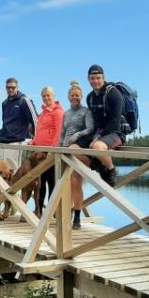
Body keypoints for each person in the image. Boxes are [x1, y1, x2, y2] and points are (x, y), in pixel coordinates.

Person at [59, 81, 95, 229]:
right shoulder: (66, 114)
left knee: (76, 182)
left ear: (81, 96)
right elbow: (62, 133)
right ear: (68, 97)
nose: (75, 98)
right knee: (63, 184)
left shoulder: (86, 112)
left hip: (78, 150)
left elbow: (90, 128)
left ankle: (77, 218)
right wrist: (59, 148)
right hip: (65, 151)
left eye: (77, 95)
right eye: (72, 95)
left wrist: (78, 134)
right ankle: (65, 215)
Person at [86, 64, 125, 187]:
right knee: (75, 148)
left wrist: (97, 138)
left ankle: (111, 170)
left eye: (98, 78)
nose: (95, 81)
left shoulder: (114, 94)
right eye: (92, 78)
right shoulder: (90, 97)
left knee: (96, 146)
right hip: (100, 133)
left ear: (104, 78)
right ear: (88, 79)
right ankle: (101, 168)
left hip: (116, 133)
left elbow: (115, 121)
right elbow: (95, 121)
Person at [0, 77, 37, 171]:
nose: (10, 89)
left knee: (11, 169)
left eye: (13, 87)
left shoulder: (24, 100)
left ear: (17, 87)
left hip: (17, 140)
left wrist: (36, 140)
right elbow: (4, 121)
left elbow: (35, 120)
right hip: (3, 140)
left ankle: (14, 182)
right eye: (8, 88)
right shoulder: (4, 103)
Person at [30, 86, 64, 208]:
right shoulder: (43, 113)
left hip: (49, 152)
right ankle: (38, 210)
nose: (46, 98)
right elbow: (40, 131)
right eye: (43, 96)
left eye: (48, 95)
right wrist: (33, 143)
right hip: (39, 151)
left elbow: (59, 131)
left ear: (53, 96)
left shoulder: (58, 112)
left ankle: (51, 212)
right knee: (40, 182)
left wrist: (52, 150)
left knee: (51, 182)